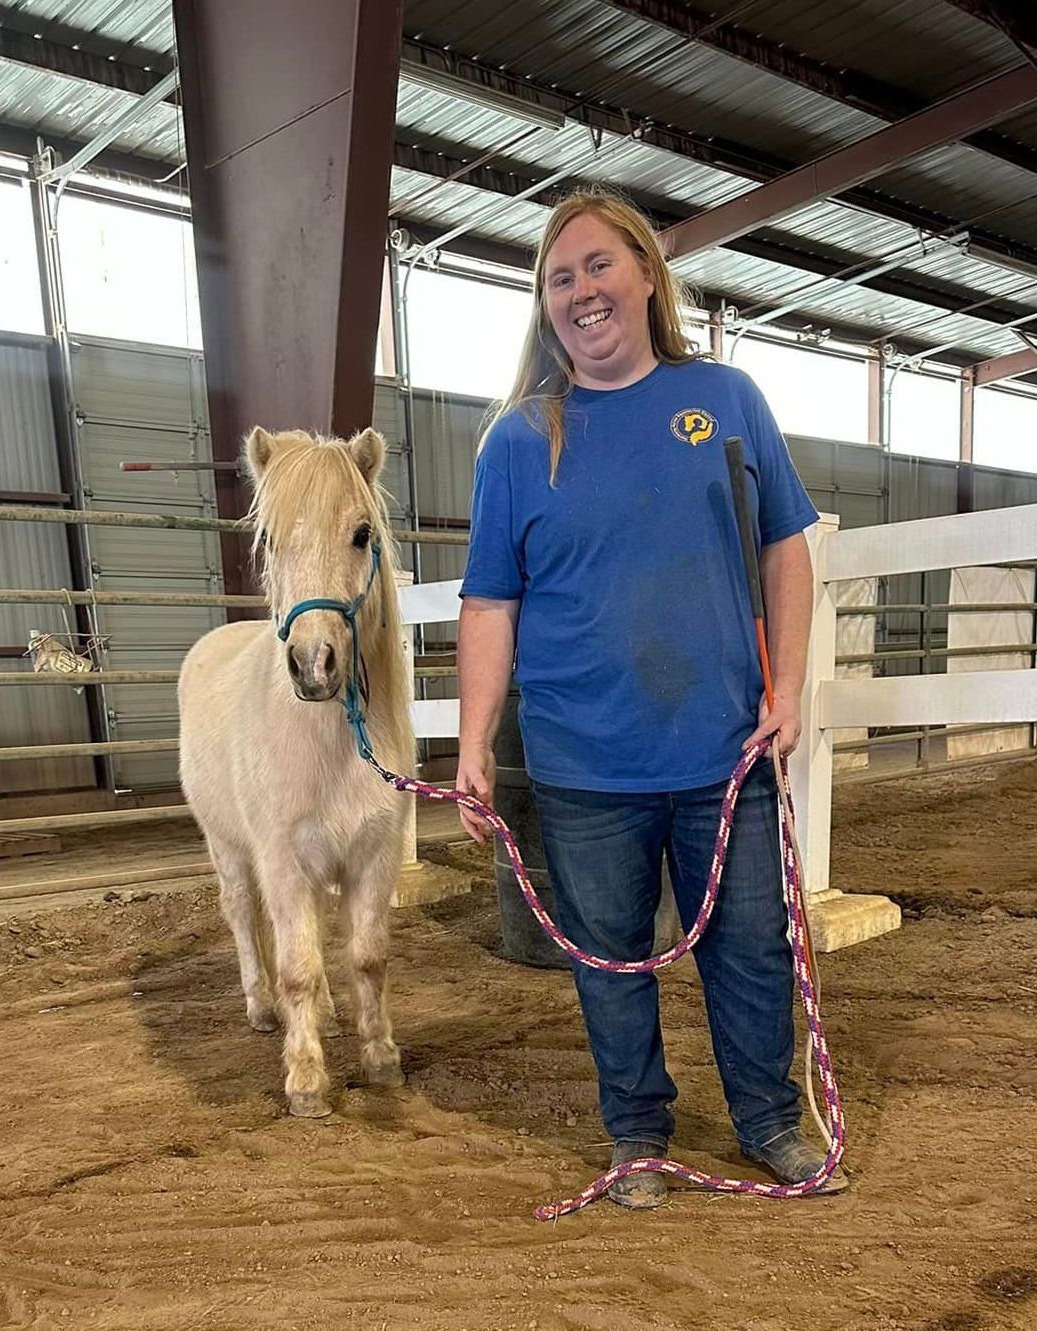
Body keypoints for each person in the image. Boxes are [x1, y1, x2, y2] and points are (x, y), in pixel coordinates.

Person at [455, 190, 847, 1209]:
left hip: (724, 750)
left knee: (750, 947)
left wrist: (785, 685)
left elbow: (783, 547)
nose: (580, 291)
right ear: (544, 307)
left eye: (596, 266)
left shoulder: (724, 398)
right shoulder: (516, 443)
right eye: (558, 278)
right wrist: (470, 744)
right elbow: (489, 603)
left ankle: (766, 1116)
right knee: (607, 962)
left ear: (642, 276)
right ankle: (635, 1130)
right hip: (583, 762)